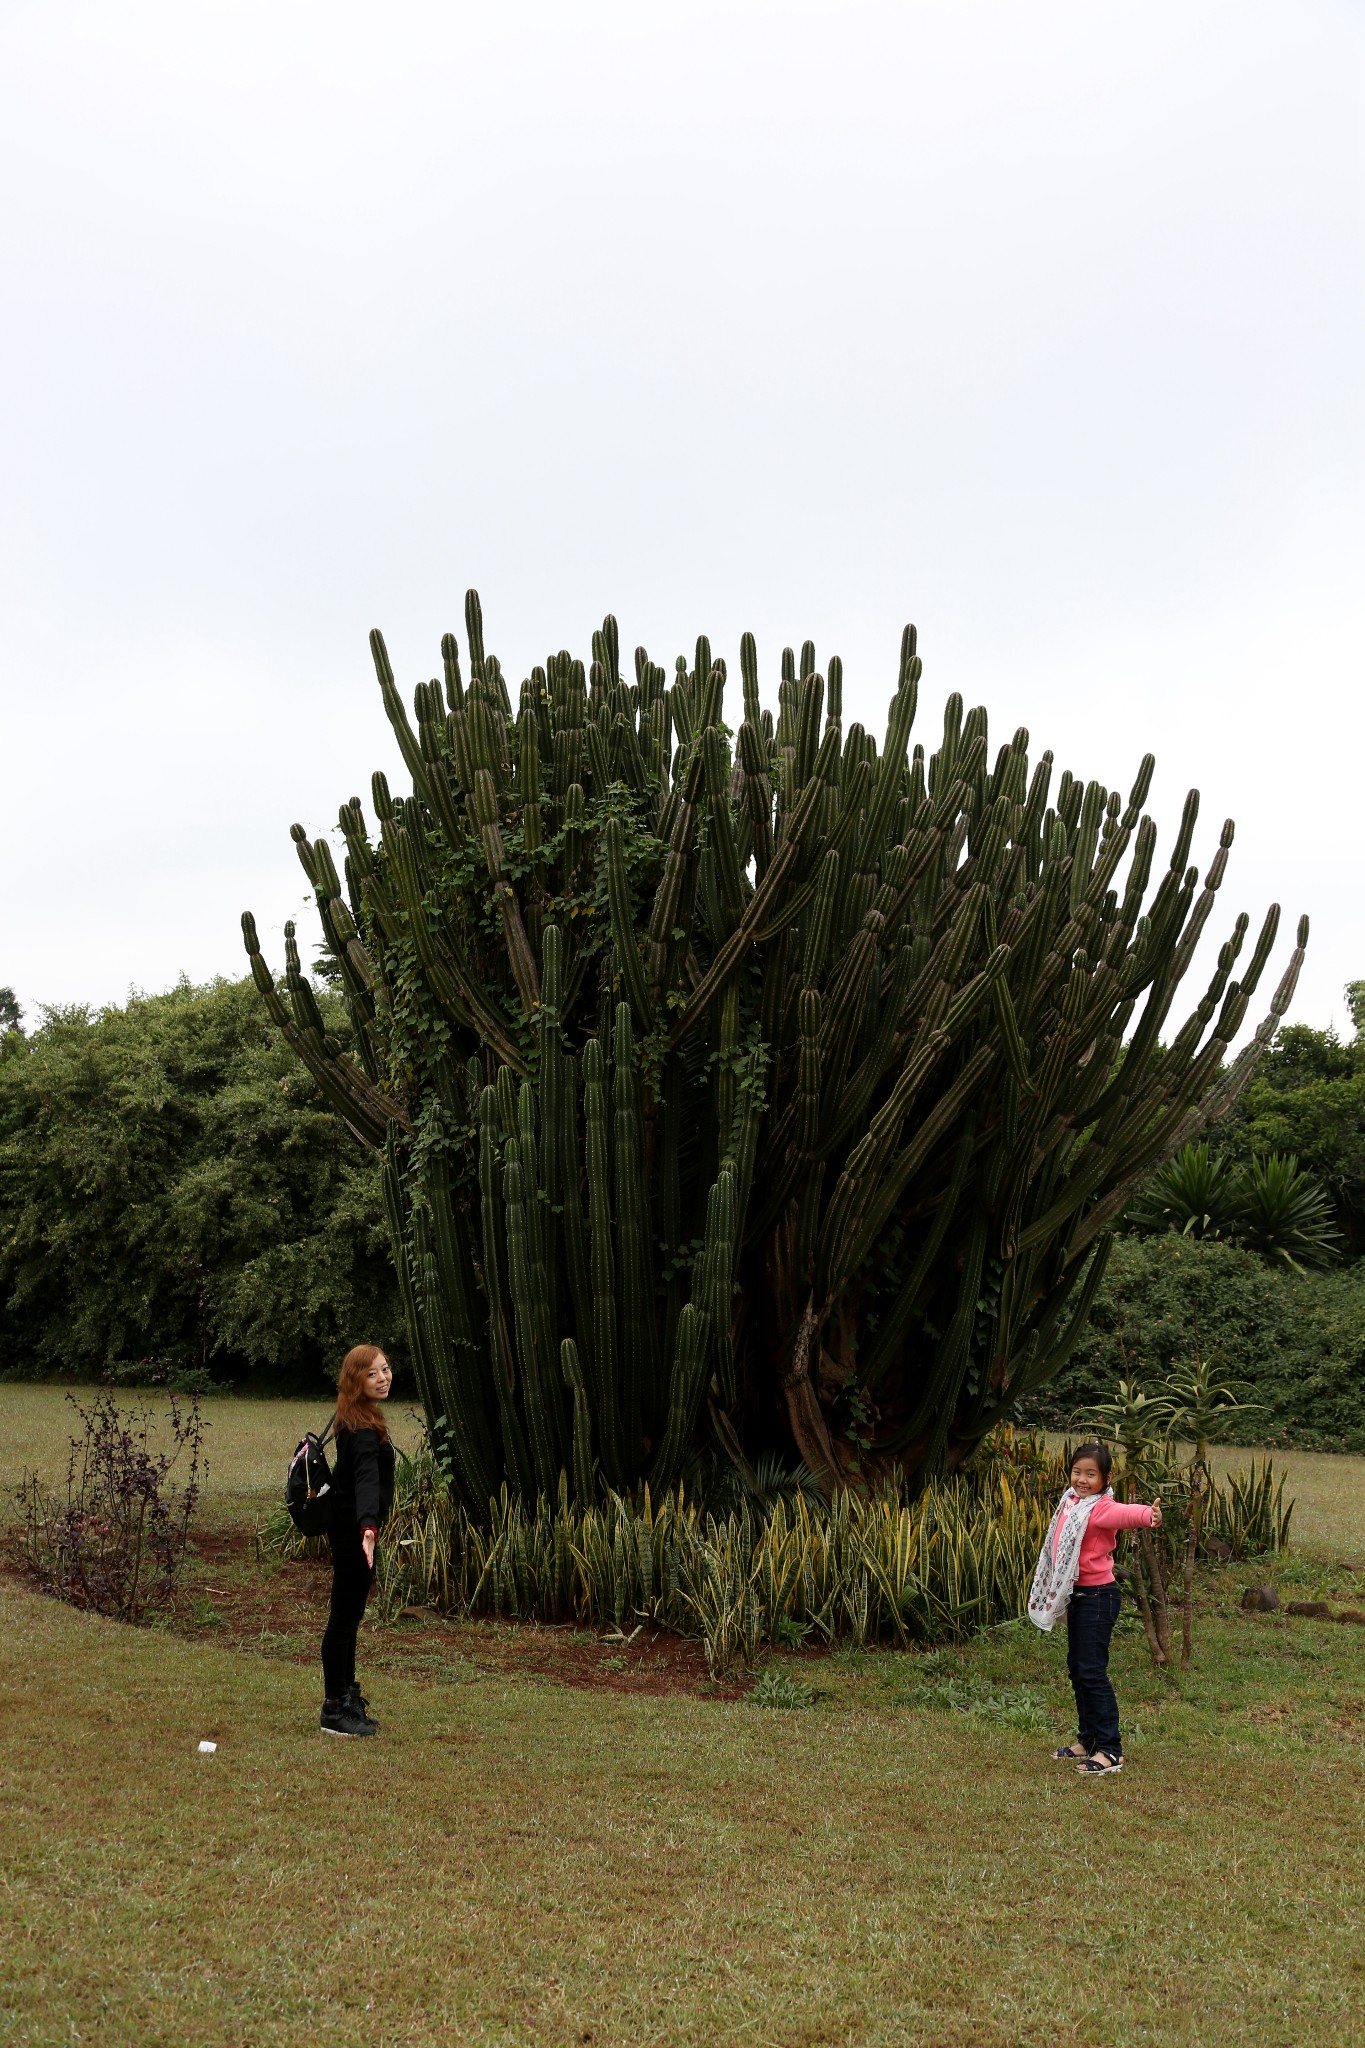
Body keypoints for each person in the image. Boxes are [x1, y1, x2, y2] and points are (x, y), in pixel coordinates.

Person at [1027, 1439, 1162, 1776]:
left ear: (1105, 1479)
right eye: (1077, 1472)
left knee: (1092, 1672)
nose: (1082, 1479)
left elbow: (1125, 1513)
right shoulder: (1071, 1502)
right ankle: (1087, 1740)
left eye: (1091, 1474)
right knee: (1078, 1669)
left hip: (1099, 1598)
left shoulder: (1100, 1508)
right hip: (1079, 1597)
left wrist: (1149, 1514)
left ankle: (1110, 1750)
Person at [320, 1344, 396, 1738]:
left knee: (347, 1619)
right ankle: (334, 1710)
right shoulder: (364, 1431)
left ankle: (347, 1699)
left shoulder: (353, 1416)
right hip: (355, 1534)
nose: (383, 1378)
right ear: (356, 1381)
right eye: (372, 1374)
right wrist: (369, 1528)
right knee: (344, 1620)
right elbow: (367, 1480)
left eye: (385, 1370)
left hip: (350, 1530)